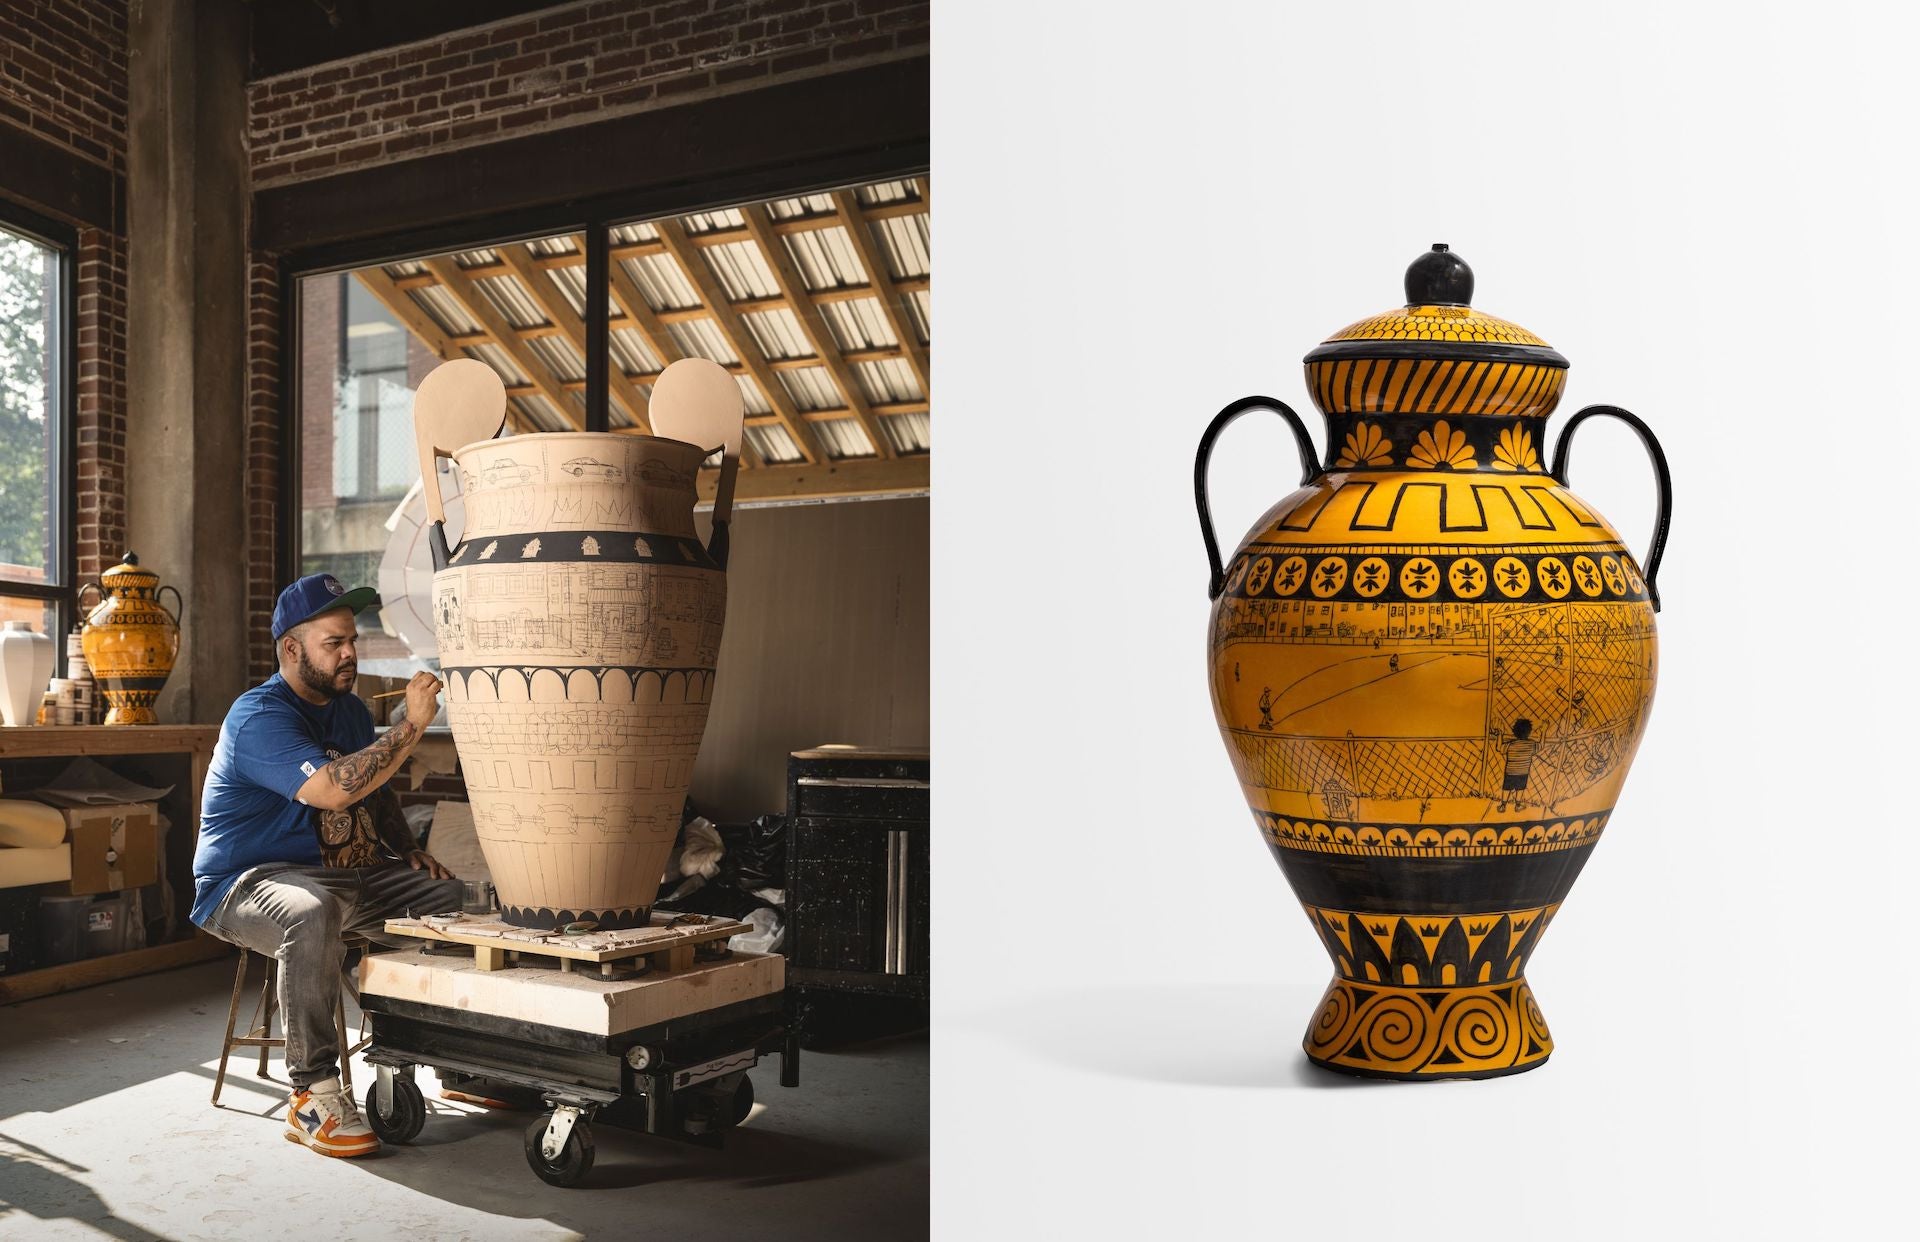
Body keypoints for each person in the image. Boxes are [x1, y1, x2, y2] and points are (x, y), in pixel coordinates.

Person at [192, 573, 460, 1159]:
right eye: (333, 642)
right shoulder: (257, 716)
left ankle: (456, 1059)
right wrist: (412, 725)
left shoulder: (349, 713)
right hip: (246, 884)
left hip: (347, 877)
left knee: (453, 902)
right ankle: (313, 1093)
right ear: (292, 649)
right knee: (310, 914)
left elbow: (375, 791)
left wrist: (402, 846)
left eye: (352, 641)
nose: (349, 654)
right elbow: (334, 790)